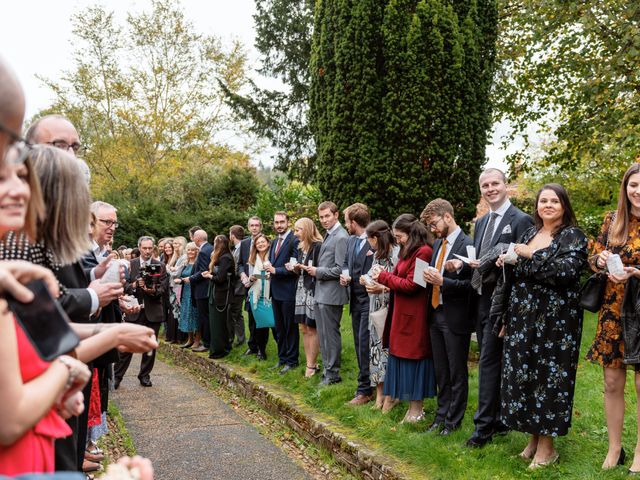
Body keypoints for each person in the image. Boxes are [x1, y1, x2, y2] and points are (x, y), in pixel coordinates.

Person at [496, 184, 587, 469]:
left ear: (564, 206)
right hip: (523, 318)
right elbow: (519, 276)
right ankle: (533, 440)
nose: (547, 205)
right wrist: (509, 262)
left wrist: (527, 256)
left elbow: (565, 272)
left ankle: (548, 449)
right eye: (543, 200)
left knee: (549, 380)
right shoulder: (529, 233)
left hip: (555, 323)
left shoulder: (573, 235)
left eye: (554, 201)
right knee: (525, 375)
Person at [459, 168, 534, 448]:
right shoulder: (480, 223)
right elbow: (480, 260)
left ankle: (483, 428)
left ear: (506, 186)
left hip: (504, 303)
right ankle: (500, 419)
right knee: (493, 360)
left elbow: (526, 262)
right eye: (485, 185)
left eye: (495, 183)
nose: (490, 188)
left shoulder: (522, 220)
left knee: (489, 362)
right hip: (480, 299)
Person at [586, 163, 640, 471]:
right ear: (625, 187)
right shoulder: (613, 220)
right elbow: (592, 256)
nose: (638, 191)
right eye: (633, 185)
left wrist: (637, 273)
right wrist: (600, 258)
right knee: (611, 382)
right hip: (613, 311)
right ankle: (614, 448)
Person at [372, 214, 435, 423]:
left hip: (414, 317)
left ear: (410, 233)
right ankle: (409, 409)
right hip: (401, 313)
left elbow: (414, 285)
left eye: (399, 236)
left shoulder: (424, 252)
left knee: (414, 361)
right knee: (401, 359)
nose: (397, 240)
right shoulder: (408, 251)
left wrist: (383, 276)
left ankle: (417, 410)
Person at [420, 199, 474, 436]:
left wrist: (444, 282)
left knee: (456, 371)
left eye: (434, 224)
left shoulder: (468, 244)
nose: (432, 229)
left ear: (448, 217)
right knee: (441, 371)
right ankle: (440, 417)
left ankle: (453, 422)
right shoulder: (438, 244)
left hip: (456, 316)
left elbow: (473, 285)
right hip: (435, 313)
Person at [114, 236, 168, 388]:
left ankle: (144, 375)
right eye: (144, 248)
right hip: (134, 310)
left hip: (153, 310)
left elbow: (163, 288)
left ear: (153, 248)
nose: (147, 251)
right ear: (139, 248)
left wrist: (151, 290)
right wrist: (135, 285)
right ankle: (117, 376)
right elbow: (123, 286)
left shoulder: (160, 265)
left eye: (150, 248)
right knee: (127, 346)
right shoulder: (131, 264)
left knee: (150, 347)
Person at [306, 201, 349, 385]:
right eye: (321, 217)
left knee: (330, 335)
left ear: (336, 215)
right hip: (322, 293)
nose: (324, 220)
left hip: (332, 294)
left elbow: (341, 268)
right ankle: (327, 371)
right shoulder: (329, 234)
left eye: (327, 216)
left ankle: (333, 375)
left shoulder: (340, 237)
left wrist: (317, 272)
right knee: (323, 335)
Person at [360, 220, 398, 410]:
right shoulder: (377, 256)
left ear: (375, 238)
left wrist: (381, 288)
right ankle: (379, 395)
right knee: (375, 352)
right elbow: (370, 275)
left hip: (391, 310)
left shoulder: (397, 254)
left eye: (369, 239)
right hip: (375, 309)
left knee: (388, 353)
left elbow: (402, 283)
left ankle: (392, 394)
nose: (368, 243)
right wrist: (364, 279)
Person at [341, 203, 374, 405]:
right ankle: (365, 386)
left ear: (353, 222)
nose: (346, 225)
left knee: (365, 346)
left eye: (346, 221)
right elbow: (346, 262)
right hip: (355, 301)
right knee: (358, 345)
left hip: (370, 301)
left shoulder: (373, 241)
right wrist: (345, 275)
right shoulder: (352, 241)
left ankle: (365, 390)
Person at [266, 212, 300, 374]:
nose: (279, 225)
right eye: (276, 222)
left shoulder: (294, 240)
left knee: (289, 328)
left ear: (288, 222)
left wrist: (275, 270)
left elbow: (294, 268)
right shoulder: (274, 241)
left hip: (288, 291)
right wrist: (270, 271)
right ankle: (282, 358)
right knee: (279, 328)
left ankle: (292, 361)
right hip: (275, 291)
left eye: (282, 222)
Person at [291, 218, 323, 377]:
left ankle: (312, 365)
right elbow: (300, 270)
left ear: (308, 229)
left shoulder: (317, 246)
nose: (296, 233)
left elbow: (318, 269)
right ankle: (309, 363)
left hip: (312, 289)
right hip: (301, 288)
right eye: (295, 230)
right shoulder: (300, 247)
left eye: (299, 230)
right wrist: (294, 268)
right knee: (303, 327)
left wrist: (303, 267)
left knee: (312, 327)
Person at [240, 217, 270, 359]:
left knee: (264, 319)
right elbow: (240, 264)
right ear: (248, 227)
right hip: (250, 286)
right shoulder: (245, 243)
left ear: (261, 226)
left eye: (257, 225)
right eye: (251, 225)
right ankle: (252, 346)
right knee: (252, 319)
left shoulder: (267, 243)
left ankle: (261, 348)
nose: (254, 228)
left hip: (267, 287)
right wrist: (242, 276)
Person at [202, 235, 235, 359]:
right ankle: (220, 348)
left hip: (221, 295)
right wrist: (210, 273)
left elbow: (220, 278)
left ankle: (220, 350)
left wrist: (209, 276)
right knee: (215, 323)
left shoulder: (225, 258)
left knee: (218, 324)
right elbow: (218, 273)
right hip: (216, 293)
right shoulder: (221, 257)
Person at [247, 234, 274, 359]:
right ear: (255, 246)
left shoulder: (273, 256)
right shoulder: (252, 259)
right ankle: (261, 352)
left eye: (263, 242)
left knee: (274, 324)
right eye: (258, 243)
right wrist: (251, 278)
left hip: (270, 295)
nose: (261, 244)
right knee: (260, 325)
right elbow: (248, 281)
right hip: (256, 295)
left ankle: (283, 352)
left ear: (268, 243)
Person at [188, 230, 213, 352]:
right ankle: (208, 341)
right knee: (207, 317)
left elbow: (203, 271)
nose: (192, 239)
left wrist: (189, 278)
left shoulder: (203, 251)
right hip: (207, 289)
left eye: (193, 237)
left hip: (203, 290)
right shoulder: (210, 248)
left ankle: (207, 343)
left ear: (197, 238)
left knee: (204, 317)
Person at [174, 242, 199, 348]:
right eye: (188, 250)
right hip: (185, 292)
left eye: (193, 250)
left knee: (195, 315)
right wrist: (179, 280)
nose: (190, 252)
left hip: (194, 292)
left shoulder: (198, 263)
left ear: (196, 251)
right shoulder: (185, 262)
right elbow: (182, 276)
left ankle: (197, 339)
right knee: (186, 314)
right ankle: (190, 339)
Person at [228, 226, 247, 347]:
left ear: (232, 235)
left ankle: (241, 340)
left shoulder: (241, 248)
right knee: (234, 312)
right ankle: (237, 338)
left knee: (236, 313)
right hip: (235, 285)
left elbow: (237, 267)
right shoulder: (235, 248)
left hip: (239, 285)